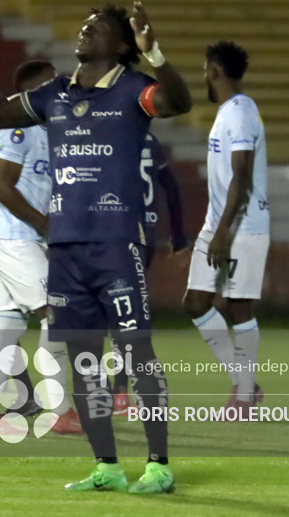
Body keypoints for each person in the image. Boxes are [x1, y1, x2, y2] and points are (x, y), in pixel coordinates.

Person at [0, 1, 192, 493]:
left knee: (136, 352)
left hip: (115, 247)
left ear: (121, 45)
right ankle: (106, 465)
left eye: (96, 27)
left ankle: (159, 465)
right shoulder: (55, 94)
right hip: (64, 251)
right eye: (83, 23)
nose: (84, 30)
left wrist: (156, 54)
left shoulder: (131, 89)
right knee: (83, 361)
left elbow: (178, 102)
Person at [0, 59, 82, 435]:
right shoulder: (18, 124)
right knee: (55, 311)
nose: (62, 89)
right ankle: (61, 410)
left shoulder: (51, 128)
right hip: (14, 239)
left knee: (7, 325)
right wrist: (45, 224)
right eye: (53, 83)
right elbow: (2, 186)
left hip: (21, 238)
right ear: (35, 91)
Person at [182, 42, 269, 413]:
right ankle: (243, 381)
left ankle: (246, 397)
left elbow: (242, 174)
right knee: (196, 302)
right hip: (216, 224)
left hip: (243, 226)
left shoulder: (241, 112)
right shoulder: (227, 112)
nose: (204, 75)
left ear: (213, 71)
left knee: (238, 306)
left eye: (206, 69)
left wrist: (223, 232)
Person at [111, 132, 189, 415]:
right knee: (127, 314)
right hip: (147, 238)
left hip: (117, 234)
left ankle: (119, 393)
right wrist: (179, 237)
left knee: (116, 316)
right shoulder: (152, 140)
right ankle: (124, 391)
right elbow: (172, 187)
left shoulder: (112, 134)